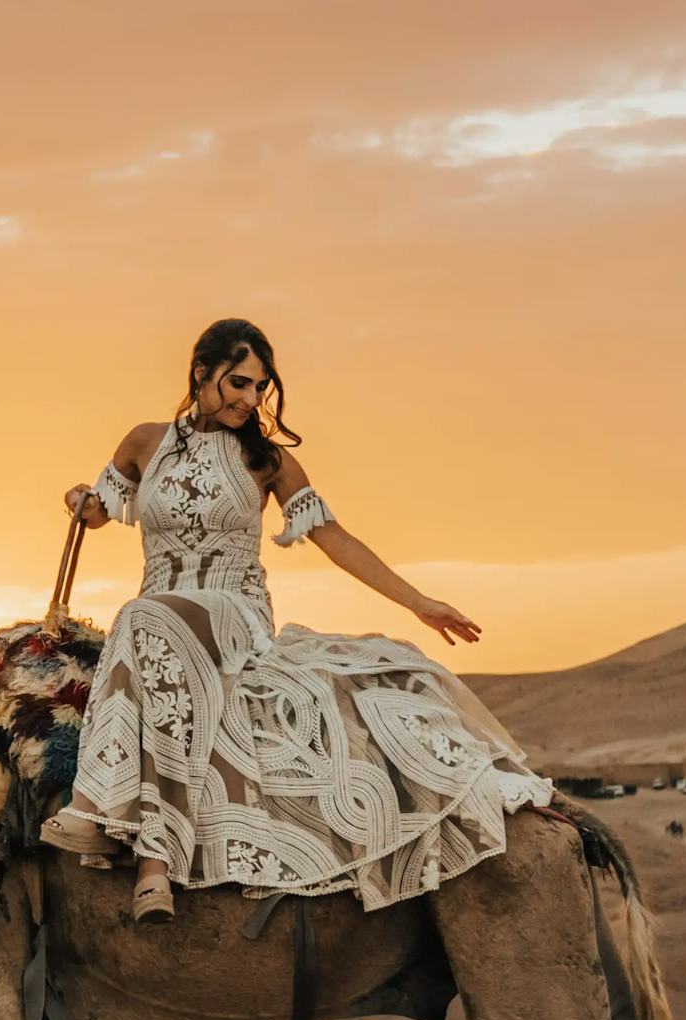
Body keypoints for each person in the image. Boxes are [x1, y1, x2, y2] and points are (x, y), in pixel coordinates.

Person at [49, 318, 554, 922]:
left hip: (234, 613)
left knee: (140, 618)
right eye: (238, 382)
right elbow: (102, 511)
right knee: (146, 620)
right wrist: (80, 500)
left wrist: (418, 601)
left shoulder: (267, 460)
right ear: (201, 372)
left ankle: (135, 842)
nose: (249, 399)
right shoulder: (143, 441)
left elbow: (332, 537)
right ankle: (151, 855)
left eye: (260, 387)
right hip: (161, 613)